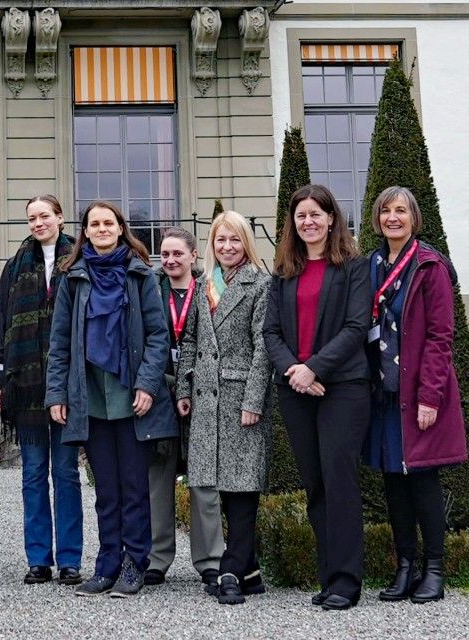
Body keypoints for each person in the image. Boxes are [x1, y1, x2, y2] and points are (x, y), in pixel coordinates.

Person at [46, 200, 176, 598]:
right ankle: (106, 566)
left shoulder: (141, 277)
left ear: (121, 228)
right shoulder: (72, 277)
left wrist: (147, 385)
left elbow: (158, 335)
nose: (102, 229)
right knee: (106, 488)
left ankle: (136, 565)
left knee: (135, 487)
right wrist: (57, 393)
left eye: (109, 223)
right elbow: (60, 341)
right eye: (94, 224)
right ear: (85, 232)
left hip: (132, 397)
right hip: (91, 398)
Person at [263, 184, 372, 611]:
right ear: (293, 222)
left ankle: (347, 581)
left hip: (342, 387)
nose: (308, 222)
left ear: (331, 218)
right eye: (300, 215)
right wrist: (296, 372)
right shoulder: (283, 271)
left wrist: (315, 368)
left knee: (339, 481)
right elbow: (271, 332)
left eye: (315, 214)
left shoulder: (353, 267)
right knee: (316, 485)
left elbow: (356, 326)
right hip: (296, 390)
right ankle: (329, 576)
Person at [363, 186, 467, 604]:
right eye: (386, 211)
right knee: (393, 482)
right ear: (377, 218)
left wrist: (430, 396)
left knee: (423, 480)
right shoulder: (370, 264)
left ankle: (434, 569)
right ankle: (405, 566)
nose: (393, 217)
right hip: (383, 393)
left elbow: (441, 337)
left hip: (419, 394)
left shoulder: (430, 266)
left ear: (414, 218)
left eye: (401, 210)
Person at [175, 212, 273, 605]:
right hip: (205, 400)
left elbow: (264, 348)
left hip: (238, 400)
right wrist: (184, 385)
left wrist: (253, 400)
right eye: (220, 241)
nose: (227, 247)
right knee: (215, 486)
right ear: (212, 245)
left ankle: (231, 568)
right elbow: (192, 339)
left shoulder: (260, 283)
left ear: (245, 243)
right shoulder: (204, 284)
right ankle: (249, 571)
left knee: (242, 488)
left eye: (234, 240)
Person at [0, 194, 83, 586]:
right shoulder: (14, 266)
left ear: (60, 218)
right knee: (31, 475)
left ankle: (71, 560)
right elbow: (0, 323)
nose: (38, 222)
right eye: (32, 217)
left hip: (65, 384)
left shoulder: (79, 258)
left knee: (66, 473)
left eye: (45, 215)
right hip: (25, 387)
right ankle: (38, 559)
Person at [146, 226, 225, 592]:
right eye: (165, 254)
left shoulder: (209, 289)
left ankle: (210, 560)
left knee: (203, 477)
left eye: (178, 253)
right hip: (160, 389)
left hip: (201, 389)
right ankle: (157, 558)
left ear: (193, 256)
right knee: (157, 477)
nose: (171, 260)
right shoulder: (150, 288)